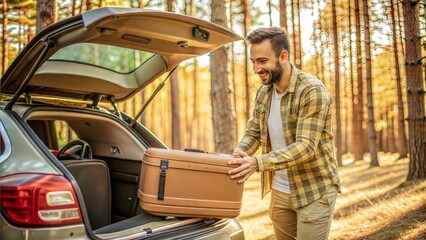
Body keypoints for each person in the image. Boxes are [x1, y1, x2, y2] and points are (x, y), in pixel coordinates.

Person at [228, 27, 341, 240]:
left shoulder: (311, 90)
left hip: (314, 191)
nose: (256, 69)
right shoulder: (264, 91)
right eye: (252, 62)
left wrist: (257, 163)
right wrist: (238, 156)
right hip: (280, 192)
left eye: (262, 61)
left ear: (283, 56)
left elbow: (306, 147)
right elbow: (254, 132)